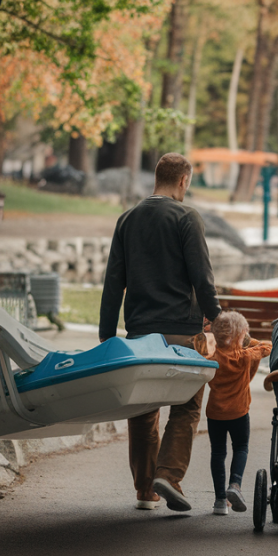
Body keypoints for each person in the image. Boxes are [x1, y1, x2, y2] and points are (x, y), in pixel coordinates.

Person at [99, 153, 222, 512]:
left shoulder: (127, 219)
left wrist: (107, 338)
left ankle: (144, 491)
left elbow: (112, 283)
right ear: (183, 180)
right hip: (182, 333)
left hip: (139, 336)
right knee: (185, 407)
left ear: (157, 178)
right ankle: (168, 474)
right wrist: (217, 320)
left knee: (142, 410)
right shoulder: (186, 217)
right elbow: (202, 277)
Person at [204, 310, 272, 516]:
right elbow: (266, 346)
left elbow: (200, 342)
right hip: (239, 413)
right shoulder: (245, 356)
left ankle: (219, 501)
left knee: (218, 452)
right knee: (241, 448)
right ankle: (235, 484)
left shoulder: (212, 356)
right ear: (240, 336)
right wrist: (248, 340)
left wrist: (213, 331)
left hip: (215, 413)